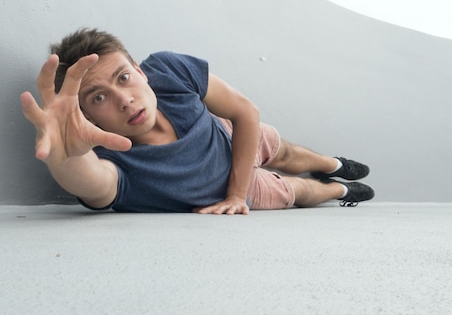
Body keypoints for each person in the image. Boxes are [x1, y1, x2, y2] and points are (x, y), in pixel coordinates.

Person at [20, 28, 374, 214]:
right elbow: (92, 183)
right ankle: (341, 190)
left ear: (140, 72)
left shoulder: (169, 69)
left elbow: (245, 111)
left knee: (287, 152)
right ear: (84, 114)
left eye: (123, 78)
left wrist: (237, 188)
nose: (124, 100)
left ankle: (334, 164)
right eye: (98, 98)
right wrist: (65, 156)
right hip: (231, 194)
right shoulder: (112, 161)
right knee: (298, 190)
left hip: (231, 135)